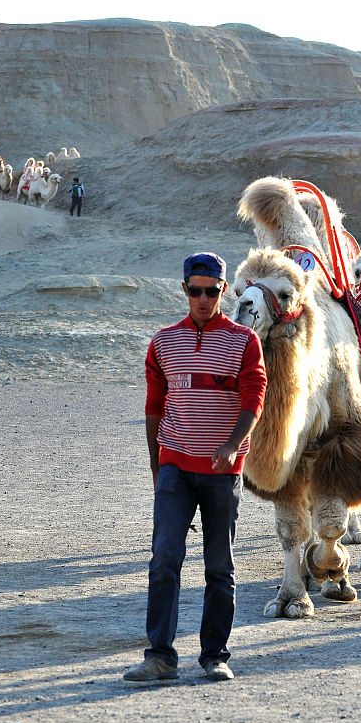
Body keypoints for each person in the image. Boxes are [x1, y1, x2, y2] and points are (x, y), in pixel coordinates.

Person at [123, 252, 266, 683]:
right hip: (175, 470)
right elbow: (153, 407)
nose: (202, 299)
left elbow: (254, 399)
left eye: (211, 290)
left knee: (219, 566)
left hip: (222, 473)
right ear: (184, 290)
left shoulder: (244, 341)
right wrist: (158, 469)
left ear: (224, 291)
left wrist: (231, 445)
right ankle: (161, 656)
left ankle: (214, 656)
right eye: (194, 290)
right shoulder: (163, 342)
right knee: (164, 558)